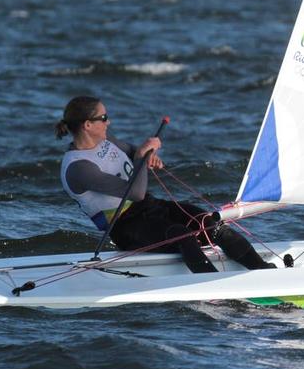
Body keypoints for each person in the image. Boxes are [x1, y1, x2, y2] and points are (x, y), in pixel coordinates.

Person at [55, 95, 275, 273]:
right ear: (87, 125)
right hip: (125, 228)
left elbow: (133, 152)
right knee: (183, 235)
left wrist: (146, 155)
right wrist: (142, 157)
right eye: (104, 118)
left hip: (150, 208)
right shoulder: (79, 167)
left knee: (209, 223)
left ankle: (263, 272)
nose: (108, 122)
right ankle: (211, 286)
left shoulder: (105, 141)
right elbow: (137, 192)